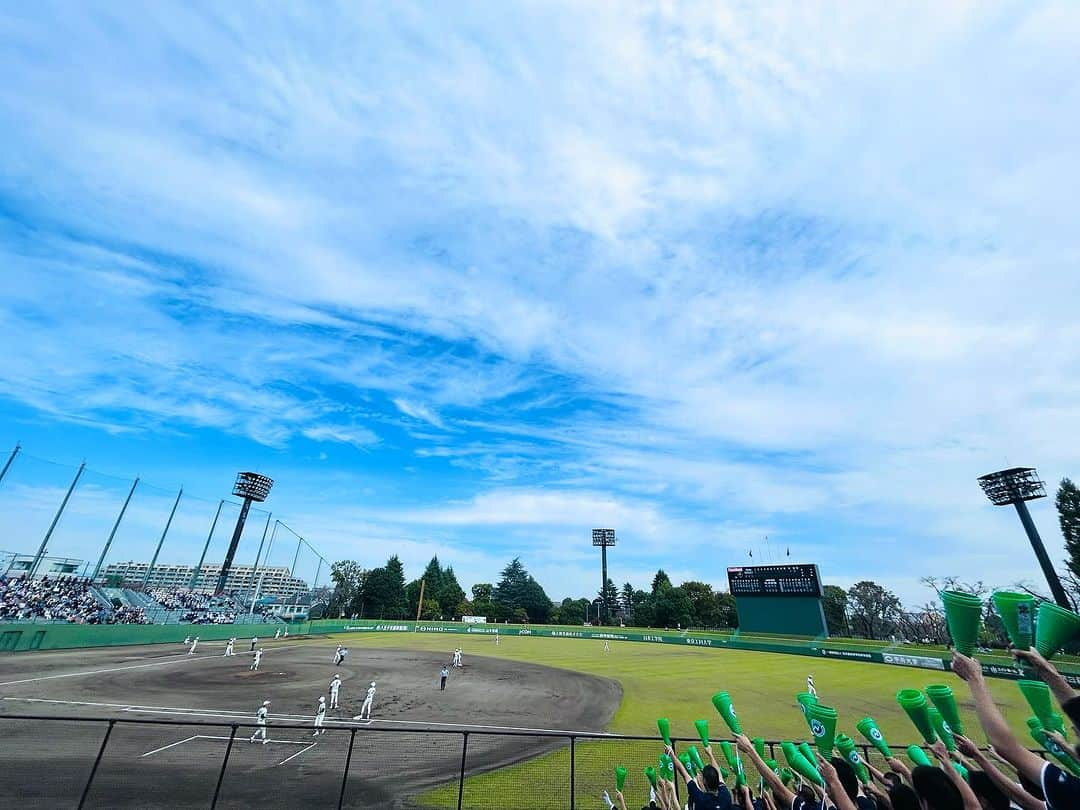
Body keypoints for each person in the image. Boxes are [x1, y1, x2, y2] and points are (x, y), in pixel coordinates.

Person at [952, 648, 1080, 809]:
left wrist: (974, 678)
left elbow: (1006, 747)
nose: (1073, 729)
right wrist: (1047, 671)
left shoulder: (1072, 794)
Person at [666, 743, 732, 809]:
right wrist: (710, 754)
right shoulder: (726, 796)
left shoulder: (701, 799)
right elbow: (719, 776)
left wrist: (671, 754)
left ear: (705, 781)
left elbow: (684, 773)